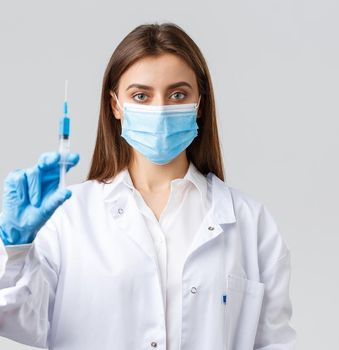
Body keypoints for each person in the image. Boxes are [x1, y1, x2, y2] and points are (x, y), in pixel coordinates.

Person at [0, 23, 295, 349]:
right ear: (115, 105)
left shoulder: (251, 224)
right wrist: (15, 248)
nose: (160, 109)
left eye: (178, 94)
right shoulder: (68, 216)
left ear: (199, 104)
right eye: (141, 95)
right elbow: (14, 316)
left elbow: (274, 342)